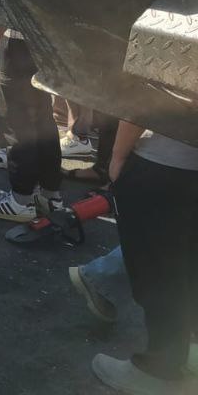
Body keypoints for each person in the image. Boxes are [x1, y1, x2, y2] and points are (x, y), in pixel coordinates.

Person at [92, 121, 198, 393]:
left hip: (164, 164)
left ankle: (158, 369)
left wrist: (118, 156)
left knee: (159, 274)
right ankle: (190, 351)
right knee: (188, 267)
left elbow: (142, 98)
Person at [0, 24, 64, 220]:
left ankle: (21, 200)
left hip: (19, 40)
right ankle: (50, 194)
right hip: (47, 38)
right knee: (42, 117)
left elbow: (7, 0)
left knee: (18, 122)